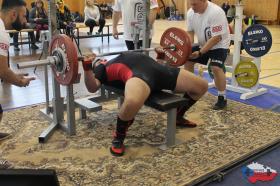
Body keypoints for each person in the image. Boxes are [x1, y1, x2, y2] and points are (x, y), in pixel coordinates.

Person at [81, 51, 208, 156]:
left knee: (201, 86)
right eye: (97, 60)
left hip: (159, 71)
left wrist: (160, 56)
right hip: (139, 76)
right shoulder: (101, 67)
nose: (100, 59)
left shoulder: (117, 56)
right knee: (132, 101)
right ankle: (119, 136)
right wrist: (87, 66)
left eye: (99, 59)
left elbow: (157, 64)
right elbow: (92, 87)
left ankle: (178, 116)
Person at [0, 0, 36, 140]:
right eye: (24, 16)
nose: (26, 20)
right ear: (13, 14)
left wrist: (13, 74)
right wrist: (20, 82)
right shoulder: (2, 34)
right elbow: (2, 71)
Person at [185, 0, 230, 110]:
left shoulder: (216, 12)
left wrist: (200, 52)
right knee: (187, 59)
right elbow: (190, 32)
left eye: (195, 4)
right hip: (203, 44)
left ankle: (222, 97)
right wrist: (188, 48)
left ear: (204, 1)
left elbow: (216, 38)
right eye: (191, 4)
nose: (192, 7)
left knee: (215, 67)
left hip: (219, 45)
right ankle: (190, 89)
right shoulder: (190, 12)